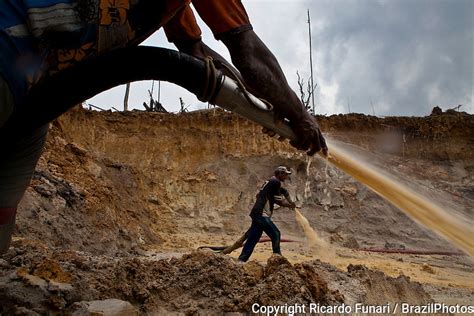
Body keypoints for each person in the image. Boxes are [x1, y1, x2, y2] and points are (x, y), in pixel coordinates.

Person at [0, 1, 327, 254]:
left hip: (34, 94)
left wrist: (267, 110)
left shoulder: (173, 8)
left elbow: (198, 55)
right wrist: (299, 115)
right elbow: (247, 49)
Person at [238, 166, 296, 262]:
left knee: (253, 238)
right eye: (285, 174)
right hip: (261, 214)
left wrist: (291, 202)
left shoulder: (271, 182)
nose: (286, 176)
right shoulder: (275, 182)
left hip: (256, 213)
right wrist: (290, 205)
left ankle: (241, 260)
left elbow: (284, 191)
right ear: (280, 174)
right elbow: (280, 202)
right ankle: (278, 258)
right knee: (276, 234)